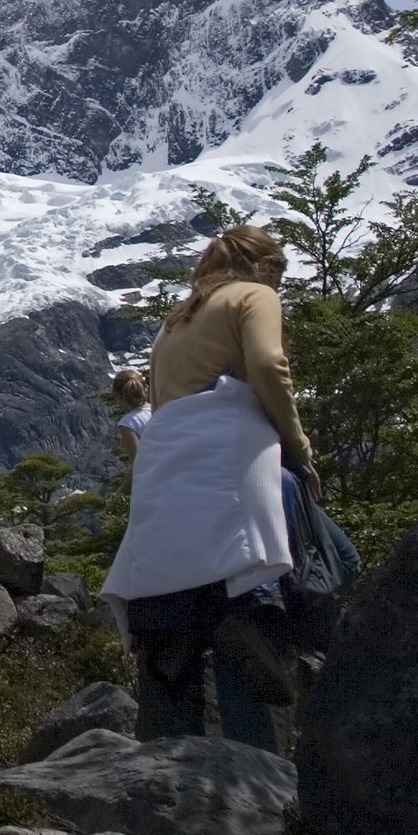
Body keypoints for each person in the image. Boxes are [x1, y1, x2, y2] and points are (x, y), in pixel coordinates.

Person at [104, 224, 313, 749]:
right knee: (303, 575)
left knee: (178, 628)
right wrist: (299, 448)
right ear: (263, 266)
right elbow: (268, 364)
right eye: (279, 273)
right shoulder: (254, 295)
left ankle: (170, 778)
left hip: (167, 479)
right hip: (231, 467)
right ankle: (269, 755)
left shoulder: (174, 323)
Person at [110, 368, 153, 460]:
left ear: (117, 396)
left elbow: (137, 461)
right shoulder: (159, 409)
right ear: (145, 389)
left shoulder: (128, 424)